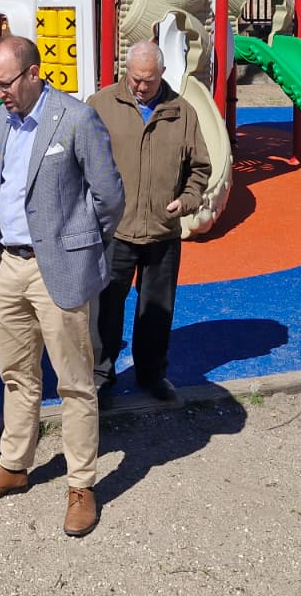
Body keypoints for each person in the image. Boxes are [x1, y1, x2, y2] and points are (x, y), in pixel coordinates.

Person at [0, 35, 125, 538]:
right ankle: (13, 465)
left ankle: (80, 484)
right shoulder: (1, 120)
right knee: (16, 376)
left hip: (60, 269)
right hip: (8, 265)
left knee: (74, 382)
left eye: (6, 82)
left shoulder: (75, 118)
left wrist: (77, 242)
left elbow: (110, 195)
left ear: (34, 74)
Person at [86, 40, 211, 406]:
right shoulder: (101, 105)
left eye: (149, 80)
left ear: (163, 74)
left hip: (163, 227)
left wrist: (188, 200)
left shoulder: (182, 111)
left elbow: (200, 167)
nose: (141, 86)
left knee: (156, 308)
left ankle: (152, 373)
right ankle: (101, 374)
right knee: (107, 305)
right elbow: (82, 160)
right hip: (116, 229)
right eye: (135, 79)